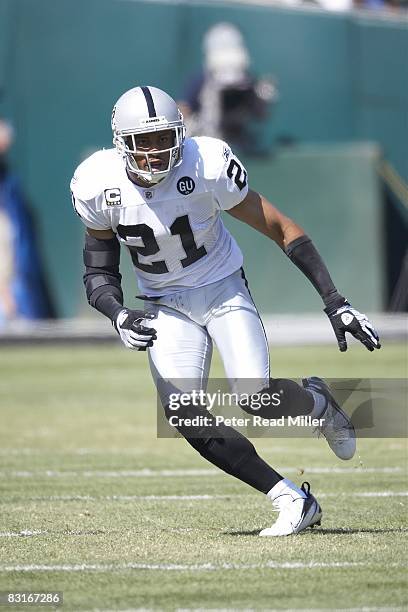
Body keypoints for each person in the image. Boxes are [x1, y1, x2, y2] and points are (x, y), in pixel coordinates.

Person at [70, 86, 380, 536]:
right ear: (121, 143)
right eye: (145, 141)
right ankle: (291, 499)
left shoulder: (206, 164)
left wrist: (336, 300)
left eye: (165, 138)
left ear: (181, 134)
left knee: (255, 397)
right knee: (185, 415)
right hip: (163, 303)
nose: (157, 152)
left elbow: (281, 227)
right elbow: (97, 271)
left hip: (222, 288)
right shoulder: (97, 183)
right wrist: (118, 314)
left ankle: (320, 403)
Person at [179, 22, 277, 155]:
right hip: (208, 140)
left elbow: (260, 114)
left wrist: (263, 98)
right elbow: (185, 108)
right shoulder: (203, 80)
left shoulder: (248, 79)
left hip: (239, 143)